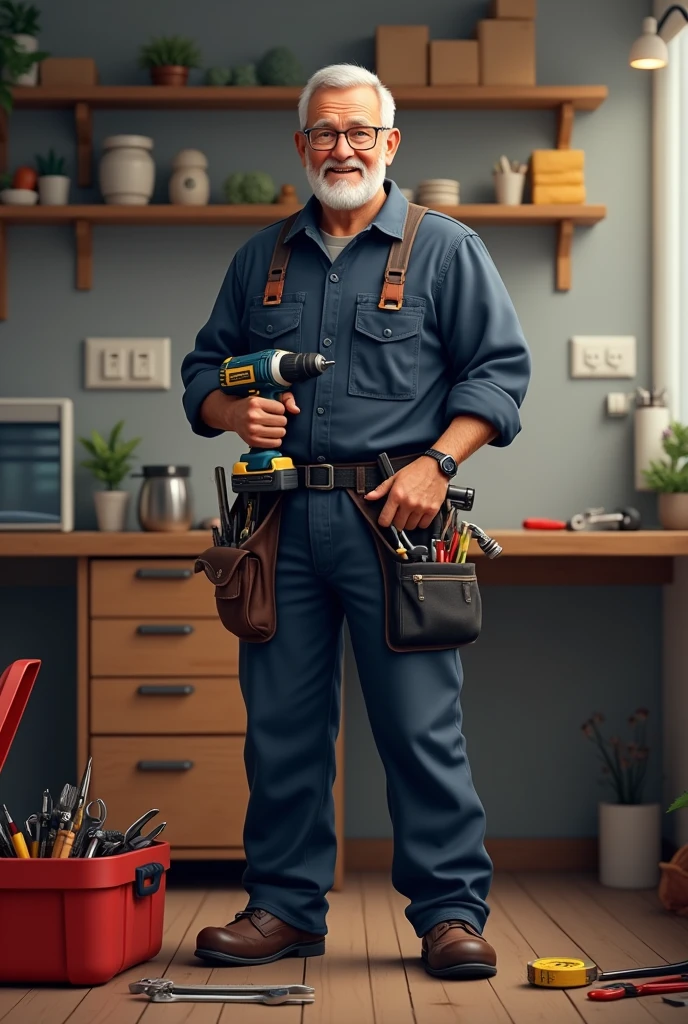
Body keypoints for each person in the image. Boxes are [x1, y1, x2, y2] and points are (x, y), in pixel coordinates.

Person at [181, 62, 531, 980]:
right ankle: (285, 910)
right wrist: (232, 412)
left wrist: (437, 462)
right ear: (302, 147)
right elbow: (201, 375)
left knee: (421, 730)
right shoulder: (260, 258)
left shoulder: (444, 248)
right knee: (281, 728)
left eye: (360, 133)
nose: (343, 148)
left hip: (399, 526)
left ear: (390, 144)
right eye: (326, 133)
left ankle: (451, 915)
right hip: (278, 528)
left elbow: (498, 379)